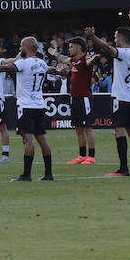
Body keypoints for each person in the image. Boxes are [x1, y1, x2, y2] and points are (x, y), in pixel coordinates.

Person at [0, 37, 56, 181]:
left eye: (21, 46)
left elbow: (7, 67)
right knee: (42, 138)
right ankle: (48, 174)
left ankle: (26, 174)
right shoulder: (42, 63)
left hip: (26, 106)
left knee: (28, 140)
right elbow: (52, 70)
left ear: (27, 47)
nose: (19, 49)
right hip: (39, 105)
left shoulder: (23, 63)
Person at [85, 22, 130, 177]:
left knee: (118, 131)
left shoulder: (123, 53)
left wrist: (92, 37)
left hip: (120, 98)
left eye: (115, 36)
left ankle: (123, 169)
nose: (114, 39)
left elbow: (107, 48)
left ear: (119, 38)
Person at [47, 36, 97, 164]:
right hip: (74, 98)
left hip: (84, 98)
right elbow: (64, 59)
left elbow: (88, 63)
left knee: (87, 128)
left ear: (78, 47)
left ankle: (91, 157)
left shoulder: (85, 59)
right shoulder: (74, 60)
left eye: (71, 46)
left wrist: (93, 60)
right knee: (78, 128)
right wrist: (55, 53)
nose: (69, 49)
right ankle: (81, 156)